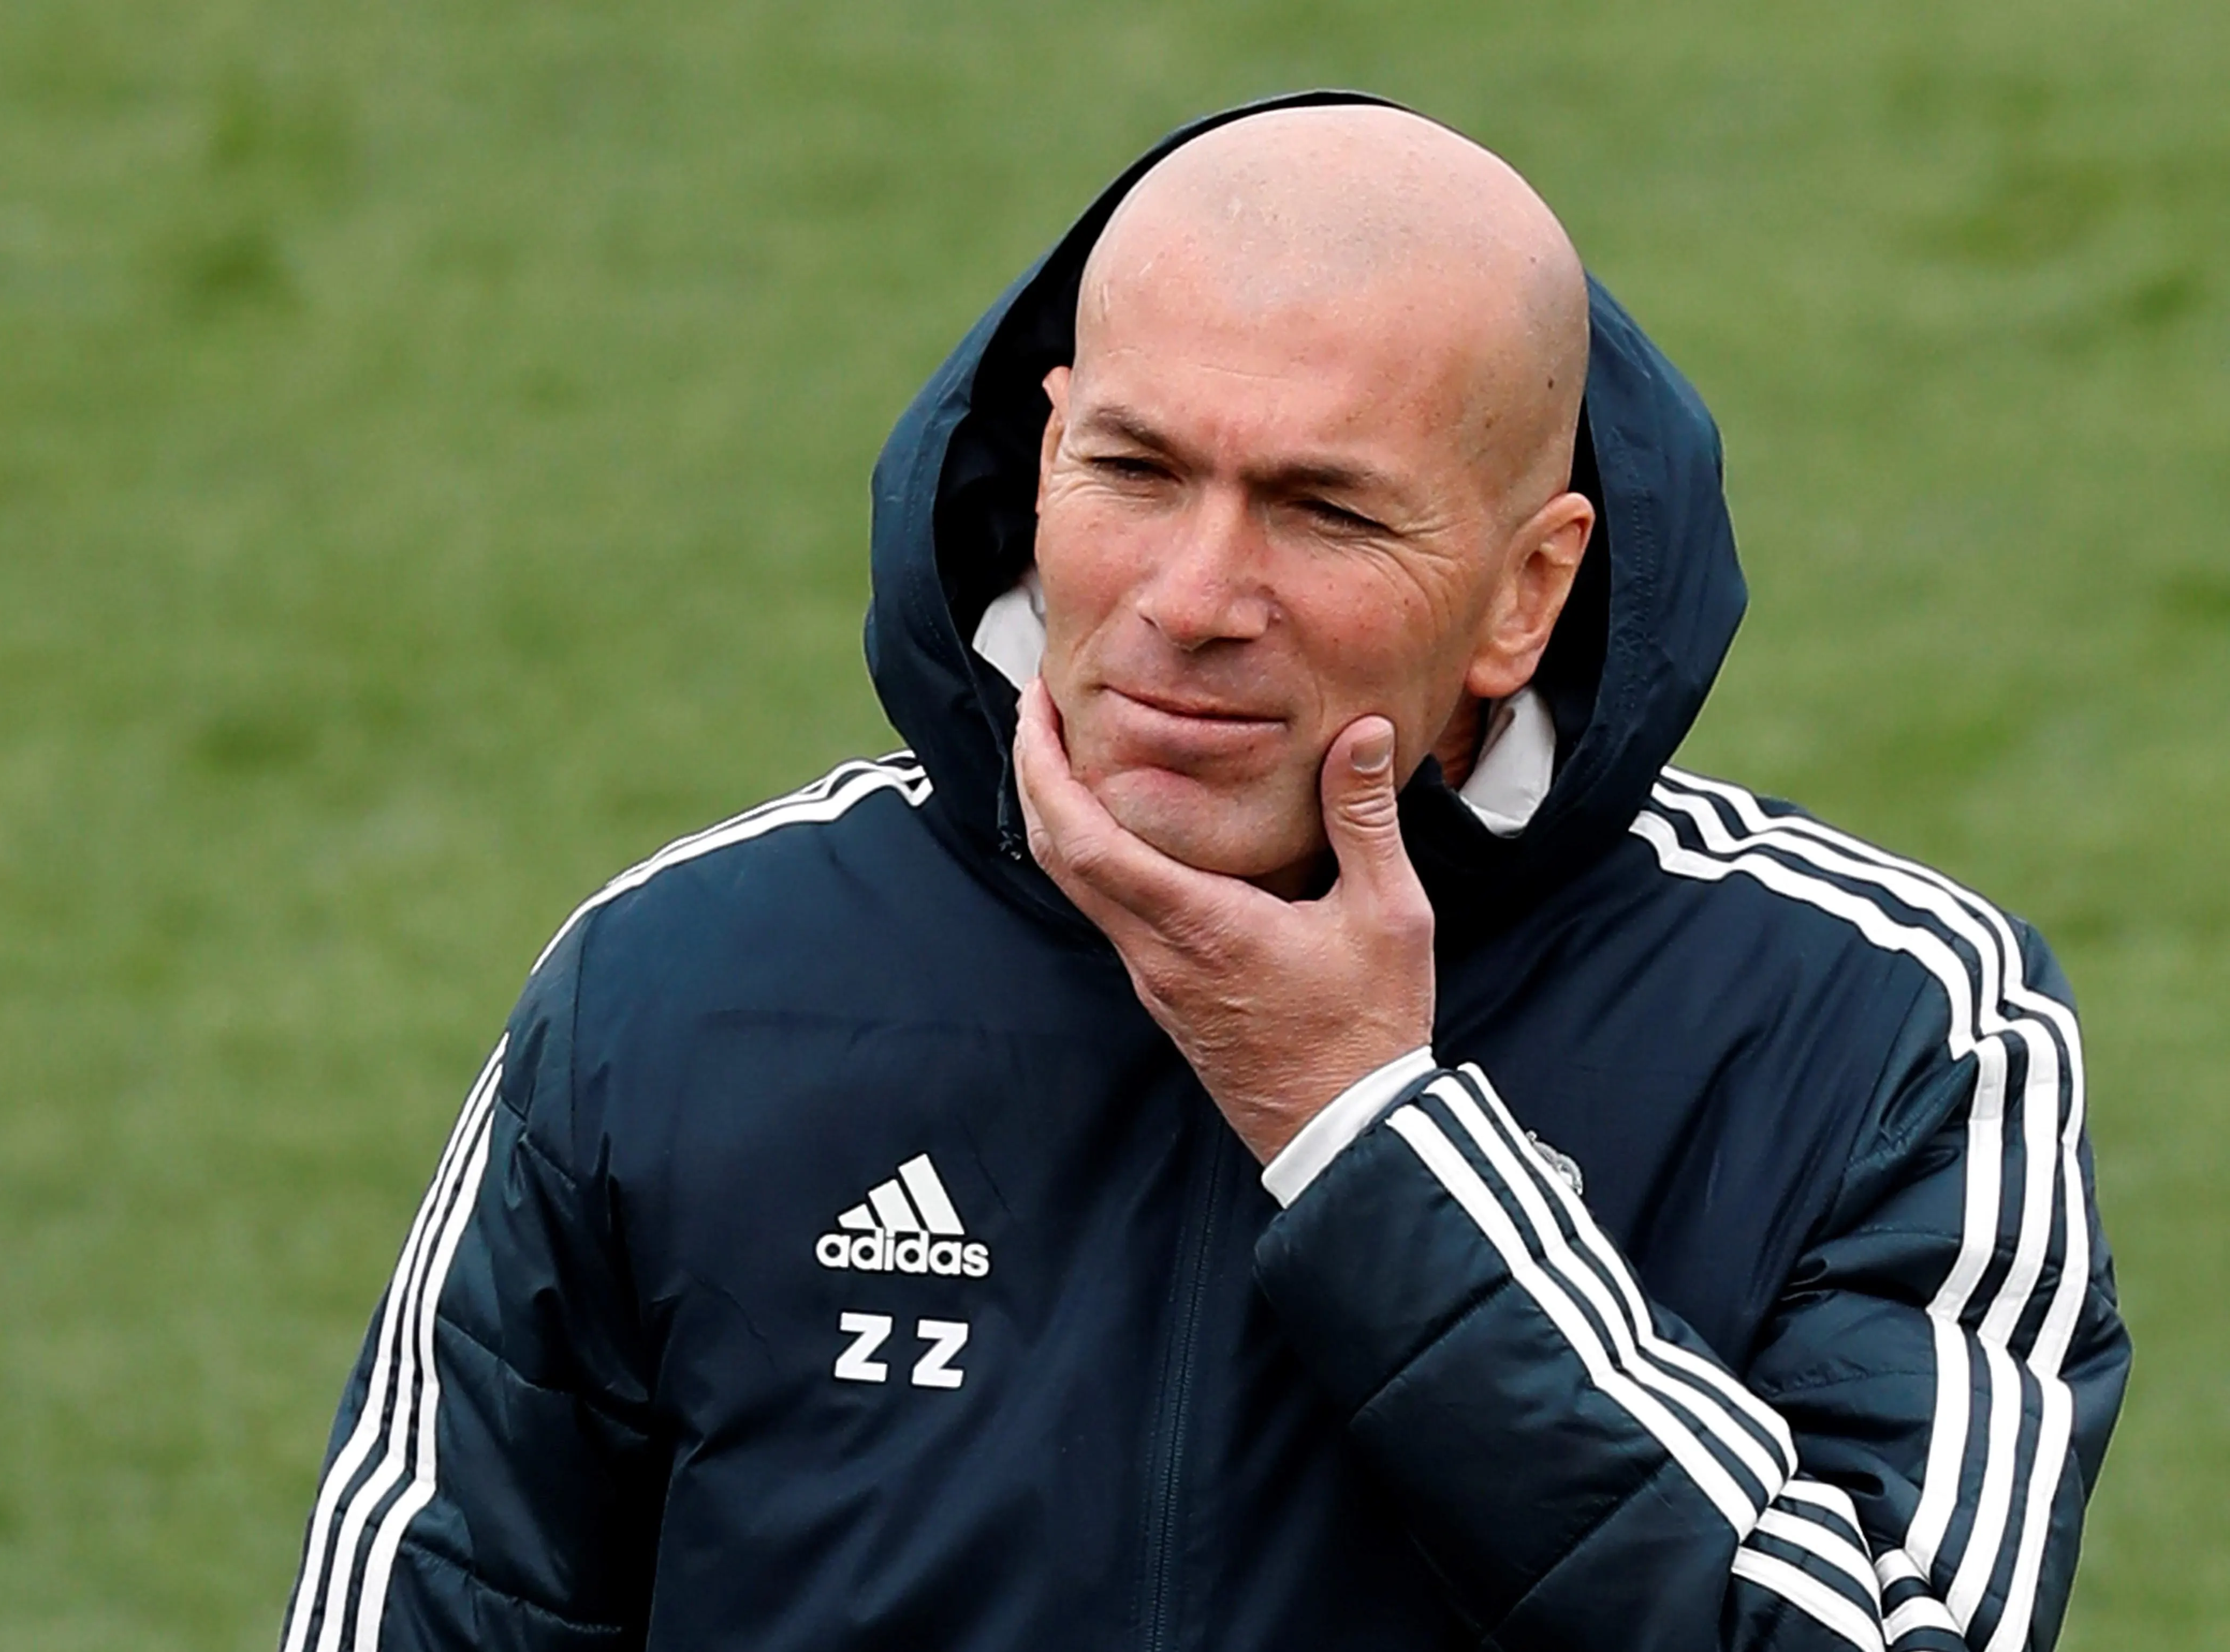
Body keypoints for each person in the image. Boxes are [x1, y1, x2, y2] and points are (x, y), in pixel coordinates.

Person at [279, 92, 2129, 1652]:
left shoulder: (1889, 1024)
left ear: (1527, 589)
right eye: (1138, 470)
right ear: (1051, 446)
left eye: (1325, 510)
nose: (1189, 602)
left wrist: (1367, 1134)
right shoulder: (680, 991)